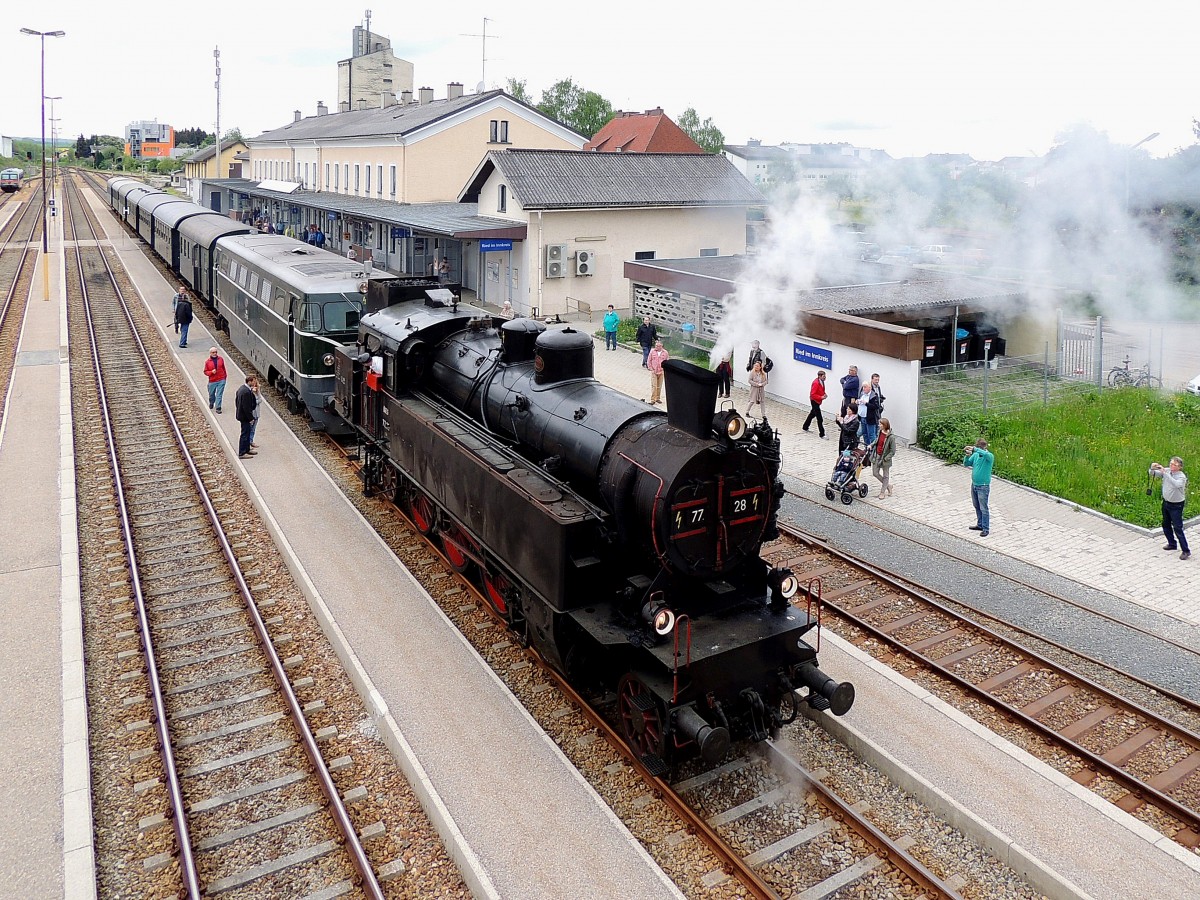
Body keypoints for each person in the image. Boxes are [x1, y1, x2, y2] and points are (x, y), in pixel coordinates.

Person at [1150, 456, 1190, 560]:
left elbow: (1177, 484)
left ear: (1179, 467)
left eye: (1174, 465)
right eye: (1171, 463)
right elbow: (1152, 473)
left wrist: (1166, 473)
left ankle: (1186, 550)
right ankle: (1172, 543)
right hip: (1166, 503)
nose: (1171, 466)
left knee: (1177, 527)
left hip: (1176, 505)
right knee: (1165, 524)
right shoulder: (1167, 471)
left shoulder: (1181, 476)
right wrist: (1153, 467)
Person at [963, 438, 995, 537]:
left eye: (980, 448)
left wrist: (975, 449)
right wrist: (967, 456)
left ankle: (986, 528)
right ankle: (980, 524)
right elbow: (966, 463)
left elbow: (985, 454)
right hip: (974, 485)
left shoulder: (989, 456)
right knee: (976, 505)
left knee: (983, 508)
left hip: (983, 486)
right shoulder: (976, 455)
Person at [871, 417, 896, 498]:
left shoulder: (891, 437)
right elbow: (877, 440)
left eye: (880, 424)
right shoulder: (880, 432)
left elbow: (893, 451)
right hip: (877, 455)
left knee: (886, 475)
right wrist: (871, 445)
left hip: (885, 458)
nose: (879, 425)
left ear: (885, 425)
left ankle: (882, 492)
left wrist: (886, 458)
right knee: (875, 473)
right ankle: (888, 486)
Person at [235, 375, 258, 459]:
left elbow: (236, 401)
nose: (255, 383)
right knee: (244, 434)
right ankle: (242, 452)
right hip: (245, 417)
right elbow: (246, 407)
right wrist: (251, 418)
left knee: (247, 433)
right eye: (254, 381)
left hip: (242, 415)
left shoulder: (242, 389)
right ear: (250, 381)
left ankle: (247, 449)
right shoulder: (246, 392)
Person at [862, 373, 885, 445]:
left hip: (874, 413)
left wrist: (880, 398)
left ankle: (873, 446)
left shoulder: (878, 387)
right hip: (866, 414)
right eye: (875, 380)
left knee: (873, 431)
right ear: (872, 380)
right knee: (865, 432)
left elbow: (875, 404)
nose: (877, 381)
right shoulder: (866, 388)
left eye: (878, 379)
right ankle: (869, 446)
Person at [803, 370, 827, 438]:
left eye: (825, 376)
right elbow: (812, 394)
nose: (825, 377)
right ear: (819, 376)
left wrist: (824, 394)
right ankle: (822, 434)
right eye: (823, 376)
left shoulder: (821, 382)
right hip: (814, 401)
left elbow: (821, 390)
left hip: (818, 401)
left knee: (812, 414)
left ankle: (805, 427)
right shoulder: (816, 383)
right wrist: (821, 397)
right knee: (820, 418)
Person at [204, 348, 227, 413]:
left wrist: (225, 376)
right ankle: (211, 402)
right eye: (213, 352)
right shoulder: (207, 362)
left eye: (216, 352)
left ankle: (218, 407)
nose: (215, 353)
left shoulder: (221, 359)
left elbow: (223, 368)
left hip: (221, 379)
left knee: (219, 394)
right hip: (212, 381)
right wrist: (211, 372)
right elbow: (205, 372)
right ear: (210, 353)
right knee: (211, 394)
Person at [647, 340, 669, 404]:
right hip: (654, 371)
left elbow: (667, 362)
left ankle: (658, 398)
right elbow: (649, 360)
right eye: (656, 345)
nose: (656, 347)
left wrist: (664, 369)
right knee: (654, 386)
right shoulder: (652, 351)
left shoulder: (665, 353)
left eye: (658, 346)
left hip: (661, 371)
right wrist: (651, 368)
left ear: (661, 346)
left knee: (659, 386)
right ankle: (652, 400)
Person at [247, 376, 262, 450]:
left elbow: (260, 399)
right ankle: (248, 443)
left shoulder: (257, 390)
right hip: (251, 414)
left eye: (255, 382)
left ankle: (251, 441)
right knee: (249, 428)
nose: (254, 383)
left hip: (257, 413)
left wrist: (255, 401)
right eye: (253, 382)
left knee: (253, 429)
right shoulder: (248, 391)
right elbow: (249, 402)